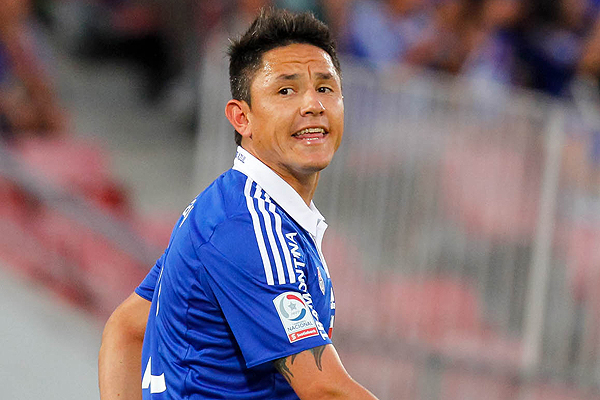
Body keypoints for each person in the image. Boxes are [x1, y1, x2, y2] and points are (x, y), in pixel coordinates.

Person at [98, 8, 379, 400]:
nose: (313, 104)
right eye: (286, 90)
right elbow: (325, 390)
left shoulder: (231, 208)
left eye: (325, 87)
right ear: (241, 118)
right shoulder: (247, 226)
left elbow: (127, 328)